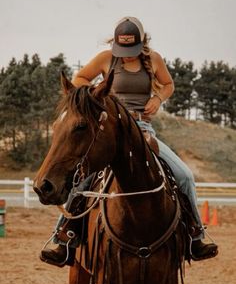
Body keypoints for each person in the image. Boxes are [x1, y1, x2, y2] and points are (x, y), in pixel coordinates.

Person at [41, 16, 218, 266]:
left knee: (185, 176)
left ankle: (195, 235)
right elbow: (80, 79)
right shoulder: (105, 58)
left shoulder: (153, 60)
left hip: (143, 129)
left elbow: (168, 84)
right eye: (121, 50)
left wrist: (157, 98)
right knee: (84, 180)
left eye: (130, 50)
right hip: (110, 129)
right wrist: (99, 95)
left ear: (140, 44)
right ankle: (64, 237)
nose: (125, 55)